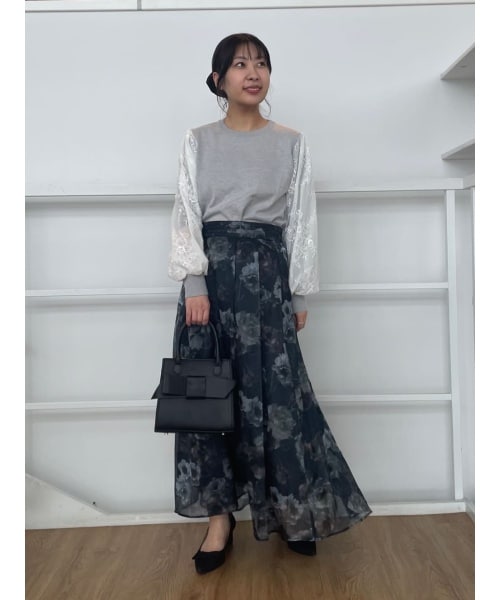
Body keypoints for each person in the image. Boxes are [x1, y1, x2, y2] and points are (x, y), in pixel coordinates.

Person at [168, 33, 372, 574]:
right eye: (240, 64)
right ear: (219, 80)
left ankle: (291, 511)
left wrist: (299, 289)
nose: (252, 72)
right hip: (211, 284)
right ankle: (219, 522)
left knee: (279, 400)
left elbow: (301, 219)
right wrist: (194, 284)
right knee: (209, 400)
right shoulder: (197, 140)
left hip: (267, 281)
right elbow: (186, 211)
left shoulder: (290, 142)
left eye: (260, 63)